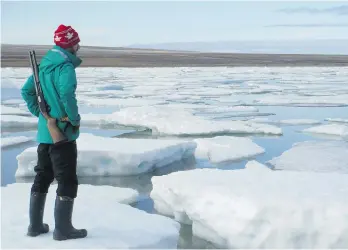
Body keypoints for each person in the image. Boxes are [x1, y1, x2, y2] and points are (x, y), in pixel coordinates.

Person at [21, 24, 87, 241]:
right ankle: (63, 229)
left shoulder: (44, 66)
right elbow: (67, 92)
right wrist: (74, 119)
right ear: (71, 45)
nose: (79, 46)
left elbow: (26, 91)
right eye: (76, 42)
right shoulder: (65, 66)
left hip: (45, 134)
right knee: (67, 180)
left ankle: (35, 226)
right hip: (62, 133)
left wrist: (41, 115)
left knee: (42, 176)